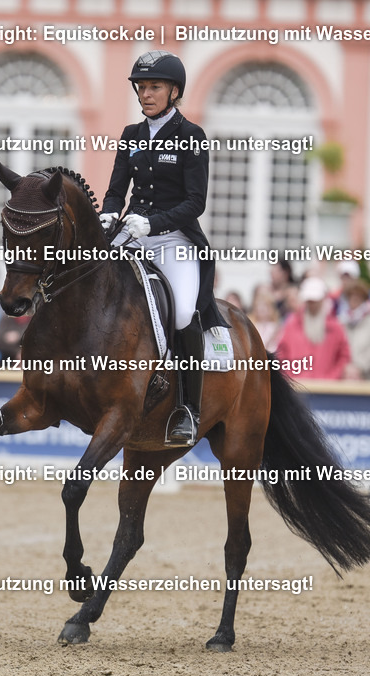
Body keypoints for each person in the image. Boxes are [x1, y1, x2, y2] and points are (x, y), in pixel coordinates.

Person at [98, 50, 229, 446]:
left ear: (174, 91)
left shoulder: (192, 137)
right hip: (131, 234)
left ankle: (188, 408)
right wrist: (107, 215)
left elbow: (196, 202)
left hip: (174, 240)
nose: (145, 94)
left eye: (154, 86)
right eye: (141, 87)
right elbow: (116, 190)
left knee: (184, 312)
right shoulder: (131, 136)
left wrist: (154, 223)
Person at [275, 277, 351, 380]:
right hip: (297, 386)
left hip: (328, 389)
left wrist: (331, 378)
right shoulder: (292, 324)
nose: (312, 305)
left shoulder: (335, 327)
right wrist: (291, 378)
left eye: (315, 301)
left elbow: (343, 357)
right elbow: (282, 354)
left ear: (322, 300)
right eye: (309, 301)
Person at [339, 279, 370, 381]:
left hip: (369, 380)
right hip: (345, 380)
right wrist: (345, 368)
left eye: (357, 298)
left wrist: (359, 367)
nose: (353, 302)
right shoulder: (342, 323)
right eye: (350, 298)